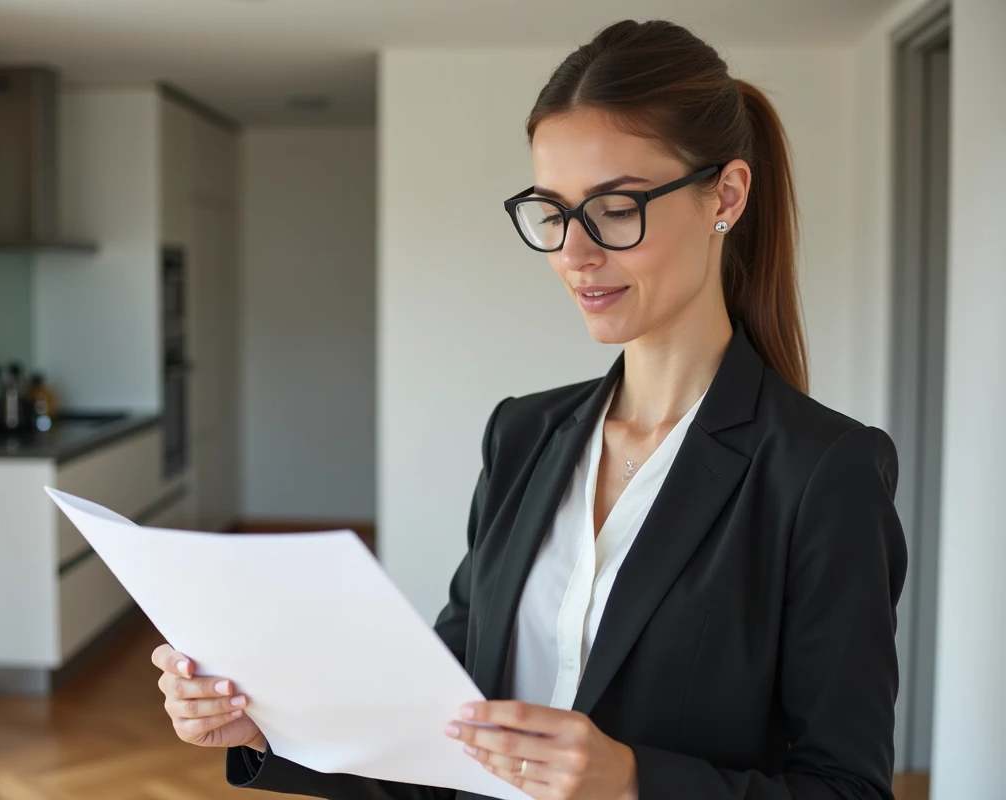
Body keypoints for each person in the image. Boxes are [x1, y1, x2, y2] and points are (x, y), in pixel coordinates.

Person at [151, 18, 907, 800]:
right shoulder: (522, 436)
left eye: (616, 207)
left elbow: (846, 788)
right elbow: (441, 724)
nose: (574, 253)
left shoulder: (824, 472)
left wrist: (632, 783)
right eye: (552, 211)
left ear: (726, 194)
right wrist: (270, 723)